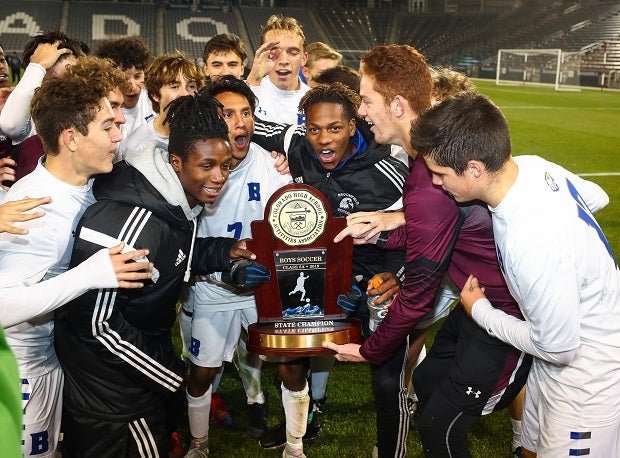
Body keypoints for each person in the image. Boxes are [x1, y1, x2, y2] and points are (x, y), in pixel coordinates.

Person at [324, 45, 531, 458]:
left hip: (506, 313)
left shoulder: (429, 174)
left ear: (397, 105)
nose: (361, 112)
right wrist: (380, 233)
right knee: (431, 385)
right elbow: (433, 230)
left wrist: (370, 349)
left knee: (439, 426)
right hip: (479, 303)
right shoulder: (428, 163)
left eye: (366, 101)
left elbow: (418, 295)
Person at [54, 91, 269, 457]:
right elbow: (94, 324)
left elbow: (176, 254)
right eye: (207, 166)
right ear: (176, 161)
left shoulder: (170, 200)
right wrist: (166, 372)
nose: (219, 177)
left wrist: (222, 252)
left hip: (130, 371)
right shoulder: (133, 222)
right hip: (112, 394)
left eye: (226, 166)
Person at [415, 92, 619, 458]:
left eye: (440, 173)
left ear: (475, 169)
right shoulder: (533, 166)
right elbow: (597, 196)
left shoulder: (532, 240)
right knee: (531, 446)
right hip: (558, 362)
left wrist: (481, 311)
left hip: (586, 380)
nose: (434, 182)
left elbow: (558, 347)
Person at [0, 66, 153, 458]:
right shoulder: (36, 213)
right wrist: (89, 275)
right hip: (18, 373)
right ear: (70, 138)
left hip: (49, 360)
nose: (118, 135)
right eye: (107, 126)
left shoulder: (85, 186)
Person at [253, 81, 408, 457]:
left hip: (372, 279)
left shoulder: (388, 170)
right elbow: (249, 126)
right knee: (290, 355)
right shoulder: (296, 145)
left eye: (335, 128)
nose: (323, 139)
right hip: (316, 277)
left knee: (387, 379)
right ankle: (298, 432)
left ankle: (392, 450)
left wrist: (395, 276)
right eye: (314, 128)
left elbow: (414, 229)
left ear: (353, 126)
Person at [182, 76, 292, 457]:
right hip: (213, 287)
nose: (240, 121)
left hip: (262, 286)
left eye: (246, 112)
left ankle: (294, 446)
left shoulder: (273, 166)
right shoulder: (196, 165)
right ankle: (199, 445)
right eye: (228, 113)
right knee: (201, 373)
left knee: (288, 363)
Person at [0, 31, 84, 146]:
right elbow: (11, 125)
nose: (67, 91)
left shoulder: (102, 113)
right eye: (54, 85)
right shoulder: (34, 122)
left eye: (72, 77)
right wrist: (38, 65)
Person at [118, 51, 204, 161]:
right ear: (155, 95)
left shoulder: (208, 136)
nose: (185, 93)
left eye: (191, 86)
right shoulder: (134, 146)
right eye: (174, 86)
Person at [246, 15, 309, 125]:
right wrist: (253, 80)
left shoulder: (315, 100)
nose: (284, 60)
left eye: (293, 53)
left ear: (304, 58)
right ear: (262, 54)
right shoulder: (243, 92)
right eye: (274, 52)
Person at [94, 36, 155, 139]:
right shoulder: (98, 110)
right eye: (124, 79)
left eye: (137, 76)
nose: (132, 85)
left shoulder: (155, 104)